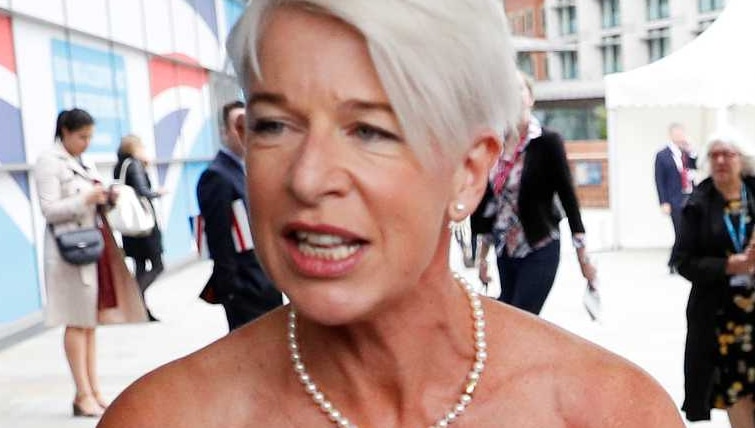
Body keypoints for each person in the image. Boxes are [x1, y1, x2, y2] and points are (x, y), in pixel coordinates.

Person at [97, 2, 683, 427]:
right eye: (275, 125)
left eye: (370, 130)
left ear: (468, 171)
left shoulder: (608, 411)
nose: (308, 177)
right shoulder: (165, 416)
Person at [36, 109, 147, 418]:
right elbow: (49, 210)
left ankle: (93, 390)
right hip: (68, 251)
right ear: (66, 132)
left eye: (90, 137)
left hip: (92, 247)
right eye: (81, 136)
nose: (86, 143)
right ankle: (82, 393)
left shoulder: (82, 161)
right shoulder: (49, 161)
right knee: (76, 320)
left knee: (90, 323)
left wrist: (105, 197)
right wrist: (85, 200)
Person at [474, 71, 597, 315]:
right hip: (505, 250)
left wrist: (583, 255)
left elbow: (568, 196)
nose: (514, 95)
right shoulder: (495, 145)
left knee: (521, 316)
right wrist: (483, 257)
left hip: (539, 244)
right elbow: (490, 204)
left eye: (520, 89)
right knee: (506, 315)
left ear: (530, 98)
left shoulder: (547, 141)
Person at [676, 129, 755, 426]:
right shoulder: (698, 204)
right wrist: (728, 266)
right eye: (714, 155)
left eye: (727, 154)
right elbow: (682, 262)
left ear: (742, 159)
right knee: (736, 392)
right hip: (722, 319)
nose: (720, 161)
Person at [195, 100, 282, 330]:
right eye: (238, 125)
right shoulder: (217, 176)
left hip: (265, 282)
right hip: (246, 287)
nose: (245, 132)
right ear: (225, 132)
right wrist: (231, 289)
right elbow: (218, 237)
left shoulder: (249, 169)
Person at [113, 134, 165, 322]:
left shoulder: (120, 166)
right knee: (158, 265)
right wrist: (157, 192)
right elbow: (143, 191)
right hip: (144, 227)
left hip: (130, 228)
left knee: (141, 266)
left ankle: (141, 310)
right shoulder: (134, 164)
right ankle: (135, 298)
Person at [655, 123, 697, 273]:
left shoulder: (687, 153)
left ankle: (676, 261)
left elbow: (697, 166)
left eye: (682, 133)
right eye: (677, 134)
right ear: (671, 135)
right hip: (675, 199)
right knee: (680, 231)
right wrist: (663, 202)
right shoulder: (662, 155)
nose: (680, 137)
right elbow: (659, 180)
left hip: (691, 196)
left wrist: (691, 150)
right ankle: (674, 262)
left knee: (691, 230)